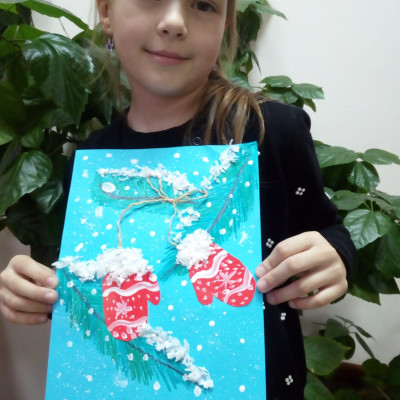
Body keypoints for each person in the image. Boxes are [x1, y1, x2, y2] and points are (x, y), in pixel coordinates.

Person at [0, 0, 355, 398]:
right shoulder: (93, 163)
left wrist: (335, 257)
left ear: (225, 26)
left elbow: (328, 229)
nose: (174, 22)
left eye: (203, 5)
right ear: (107, 11)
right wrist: (35, 292)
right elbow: (85, 278)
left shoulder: (270, 130)